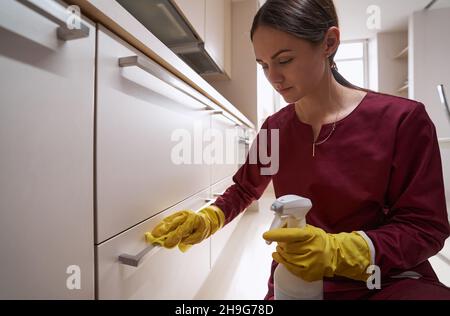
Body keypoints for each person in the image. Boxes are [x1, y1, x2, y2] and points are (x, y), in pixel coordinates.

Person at [146, 0, 450, 299]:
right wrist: (208, 218)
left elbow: (425, 228)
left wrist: (337, 251)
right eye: (263, 65)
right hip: (299, 277)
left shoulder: (403, 120)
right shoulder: (275, 129)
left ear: (329, 43)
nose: (273, 78)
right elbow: (244, 188)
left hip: (384, 277)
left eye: (284, 60)